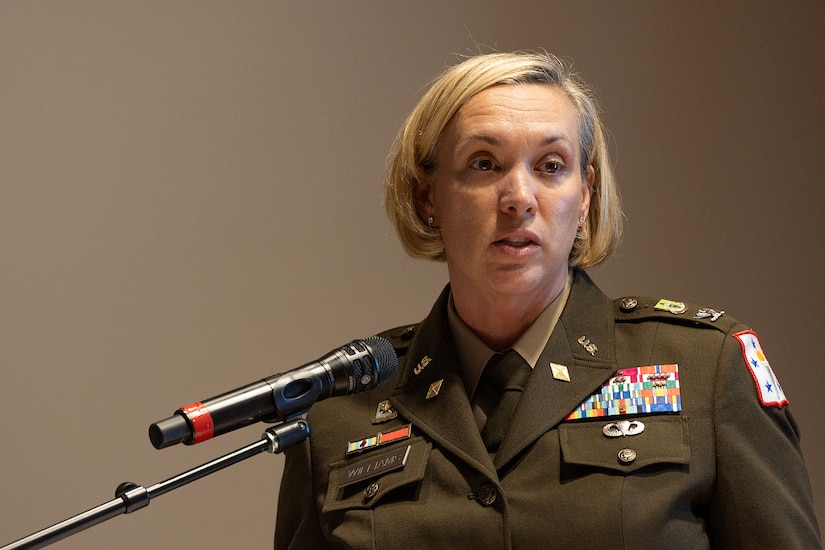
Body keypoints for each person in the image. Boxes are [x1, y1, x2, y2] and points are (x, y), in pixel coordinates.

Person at [274, 51, 821, 549]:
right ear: (427, 199)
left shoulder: (705, 368)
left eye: (550, 166)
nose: (519, 198)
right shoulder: (337, 410)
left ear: (584, 197)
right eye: (484, 164)